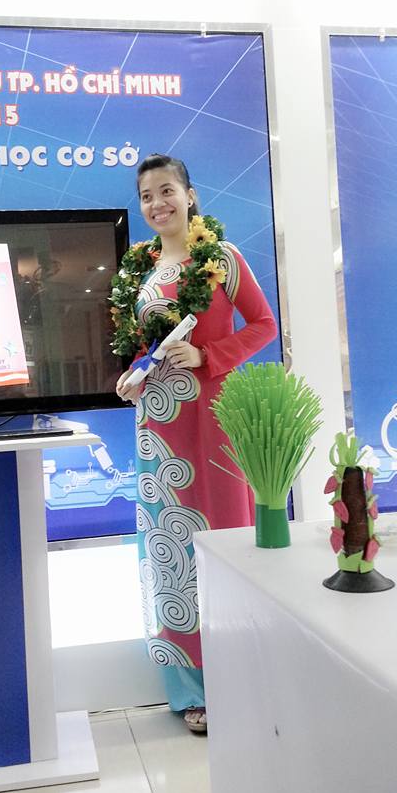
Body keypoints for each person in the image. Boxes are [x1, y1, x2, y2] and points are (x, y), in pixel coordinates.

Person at [114, 153, 277, 733]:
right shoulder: (139, 268)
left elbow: (264, 326)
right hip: (159, 427)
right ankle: (189, 690)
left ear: (190, 195)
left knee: (224, 539)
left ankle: (240, 677)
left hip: (212, 417)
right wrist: (133, 373)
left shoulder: (223, 258)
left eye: (167, 191)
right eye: (147, 195)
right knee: (170, 548)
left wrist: (209, 355)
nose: (157, 204)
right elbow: (145, 345)